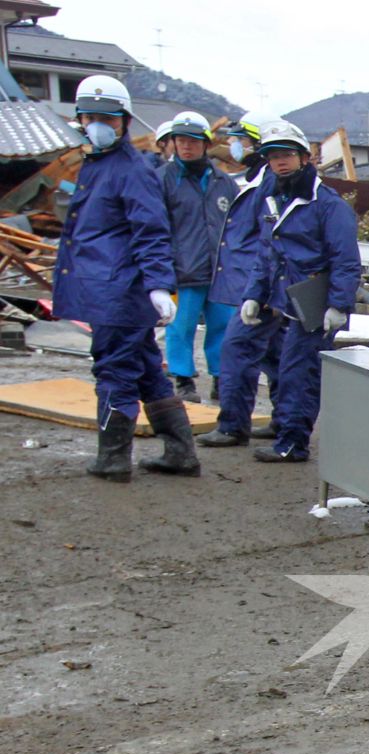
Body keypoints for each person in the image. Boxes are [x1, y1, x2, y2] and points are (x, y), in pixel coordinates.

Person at [53, 75, 200, 481]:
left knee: (114, 368)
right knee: (147, 369)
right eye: (92, 117)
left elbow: (151, 230)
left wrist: (157, 284)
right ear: (80, 118)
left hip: (119, 291)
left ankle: (113, 459)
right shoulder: (98, 165)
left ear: (124, 122)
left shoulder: (130, 170)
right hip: (111, 286)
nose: (99, 124)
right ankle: (180, 454)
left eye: (109, 118)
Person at [238, 119, 360, 463]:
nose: (279, 161)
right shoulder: (274, 196)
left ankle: (293, 442)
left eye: (286, 154)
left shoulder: (327, 204)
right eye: (273, 155)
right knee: (281, 366)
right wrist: (254, 294)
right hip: (285, 297)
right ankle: (287, 432)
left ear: (303, 157)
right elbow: (267, 251)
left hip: (314, 301)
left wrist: (338, 305)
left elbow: (346, 258)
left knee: (299, 372)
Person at [196, 118, 285, 448]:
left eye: (239, 139)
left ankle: (233, 425)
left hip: (258, 285)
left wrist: (260, 290)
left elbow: (269, 239)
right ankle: (283, 420)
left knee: (237, 349)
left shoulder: (269, 183)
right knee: (275, 356)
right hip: (253, 283)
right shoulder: (257, 180)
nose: (234, 145)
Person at [158, 110, 238, 403]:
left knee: (222, 327)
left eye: (192, 141)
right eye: (180, 140)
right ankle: (183, 379)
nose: (186, 146)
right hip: (182, 270)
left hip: (220, 273)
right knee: (180, 327)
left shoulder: (223, 182)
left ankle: (220, 378)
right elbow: (155, 228)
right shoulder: (163, 180)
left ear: (205, 144)